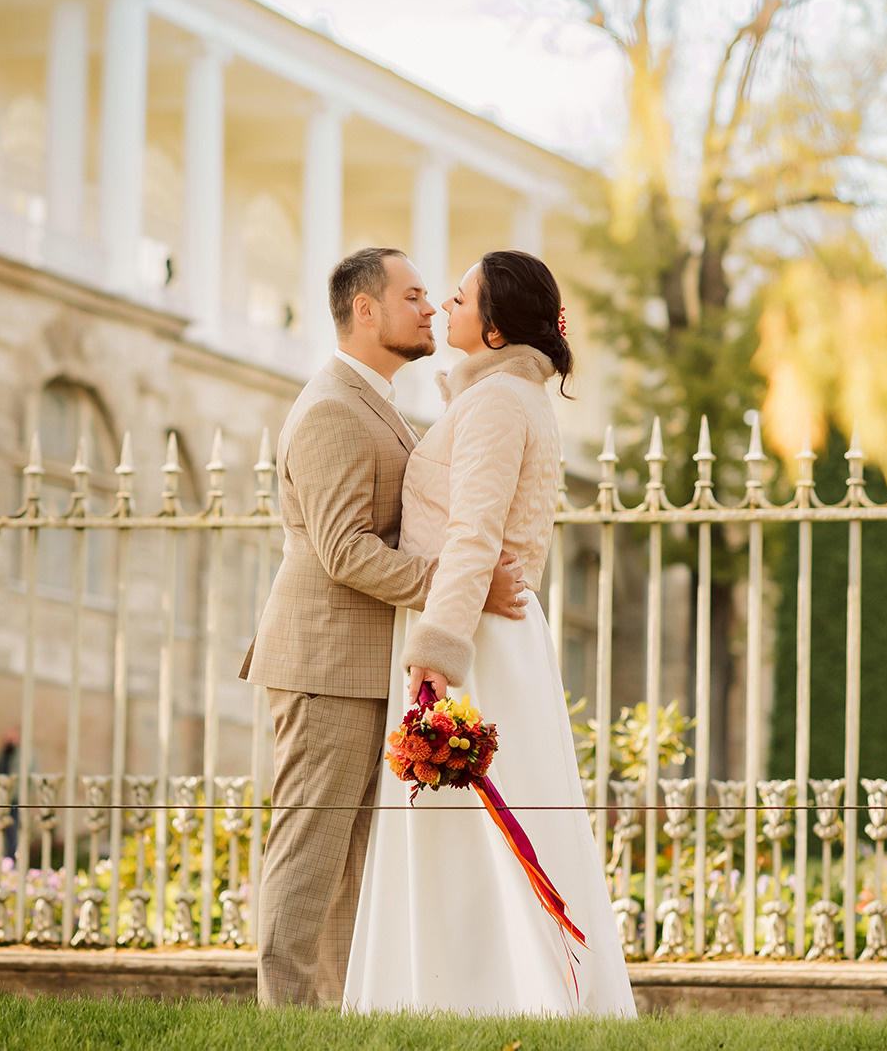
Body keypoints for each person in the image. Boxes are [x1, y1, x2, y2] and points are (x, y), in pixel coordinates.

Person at [343, 250, 635, 1016]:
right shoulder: (501, 395)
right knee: (466, 828)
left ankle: (510, 993)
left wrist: (437, 652)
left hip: (474, 638)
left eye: (461, 294)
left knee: (484, 825)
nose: (446, 301)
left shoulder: (499, 403)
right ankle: (457, 992)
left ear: (496, 324)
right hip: (479, 622)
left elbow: (474, 535)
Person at [241, 247, 530, 1008]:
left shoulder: (376, 402)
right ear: (364, 309)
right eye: (413, 295)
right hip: (323, 663)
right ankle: (285, 1022)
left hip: (365, 665)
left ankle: (330, 1019)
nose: (431, 307)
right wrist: (456, 588)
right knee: (309, 855)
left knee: (353, 867)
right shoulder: (333, 407)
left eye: (435, 295)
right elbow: (343, 549)